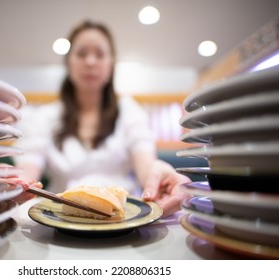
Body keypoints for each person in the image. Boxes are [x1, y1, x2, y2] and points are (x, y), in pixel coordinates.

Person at [13, 20, 190, 217]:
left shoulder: (129, 110)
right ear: (68, 63)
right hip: (61, 219)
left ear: (111, 64)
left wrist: (159, 172)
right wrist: (17, 184)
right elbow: (27, 170)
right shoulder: (44, 117)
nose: (90, 62)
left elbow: (147, 166)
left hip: (124, 218)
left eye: (100, 54)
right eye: (81, 54)